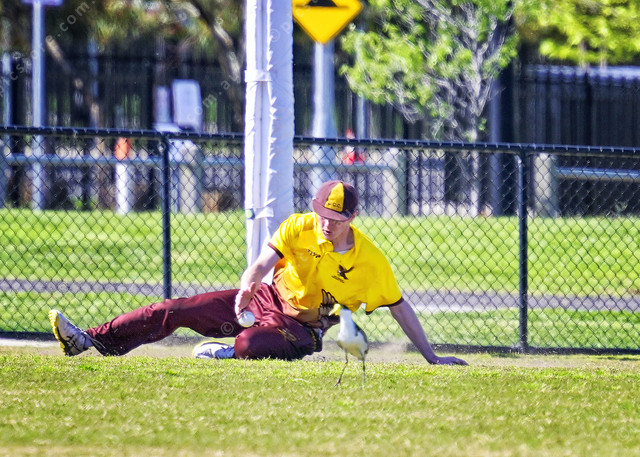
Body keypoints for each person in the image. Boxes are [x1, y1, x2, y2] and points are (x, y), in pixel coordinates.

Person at [49, 180, 467, 365]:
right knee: (175, 308)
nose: (326, 223)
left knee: (249, 343)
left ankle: (230, 353)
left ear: (353, 218)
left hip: (303, 328)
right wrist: (247, 288)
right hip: (266, 299)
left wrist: (431, 357)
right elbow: (263, 264)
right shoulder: (300, 225)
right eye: (322, 214)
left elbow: (398, 306)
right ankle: (91, 340)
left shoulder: (369, 260)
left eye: (336, 218)